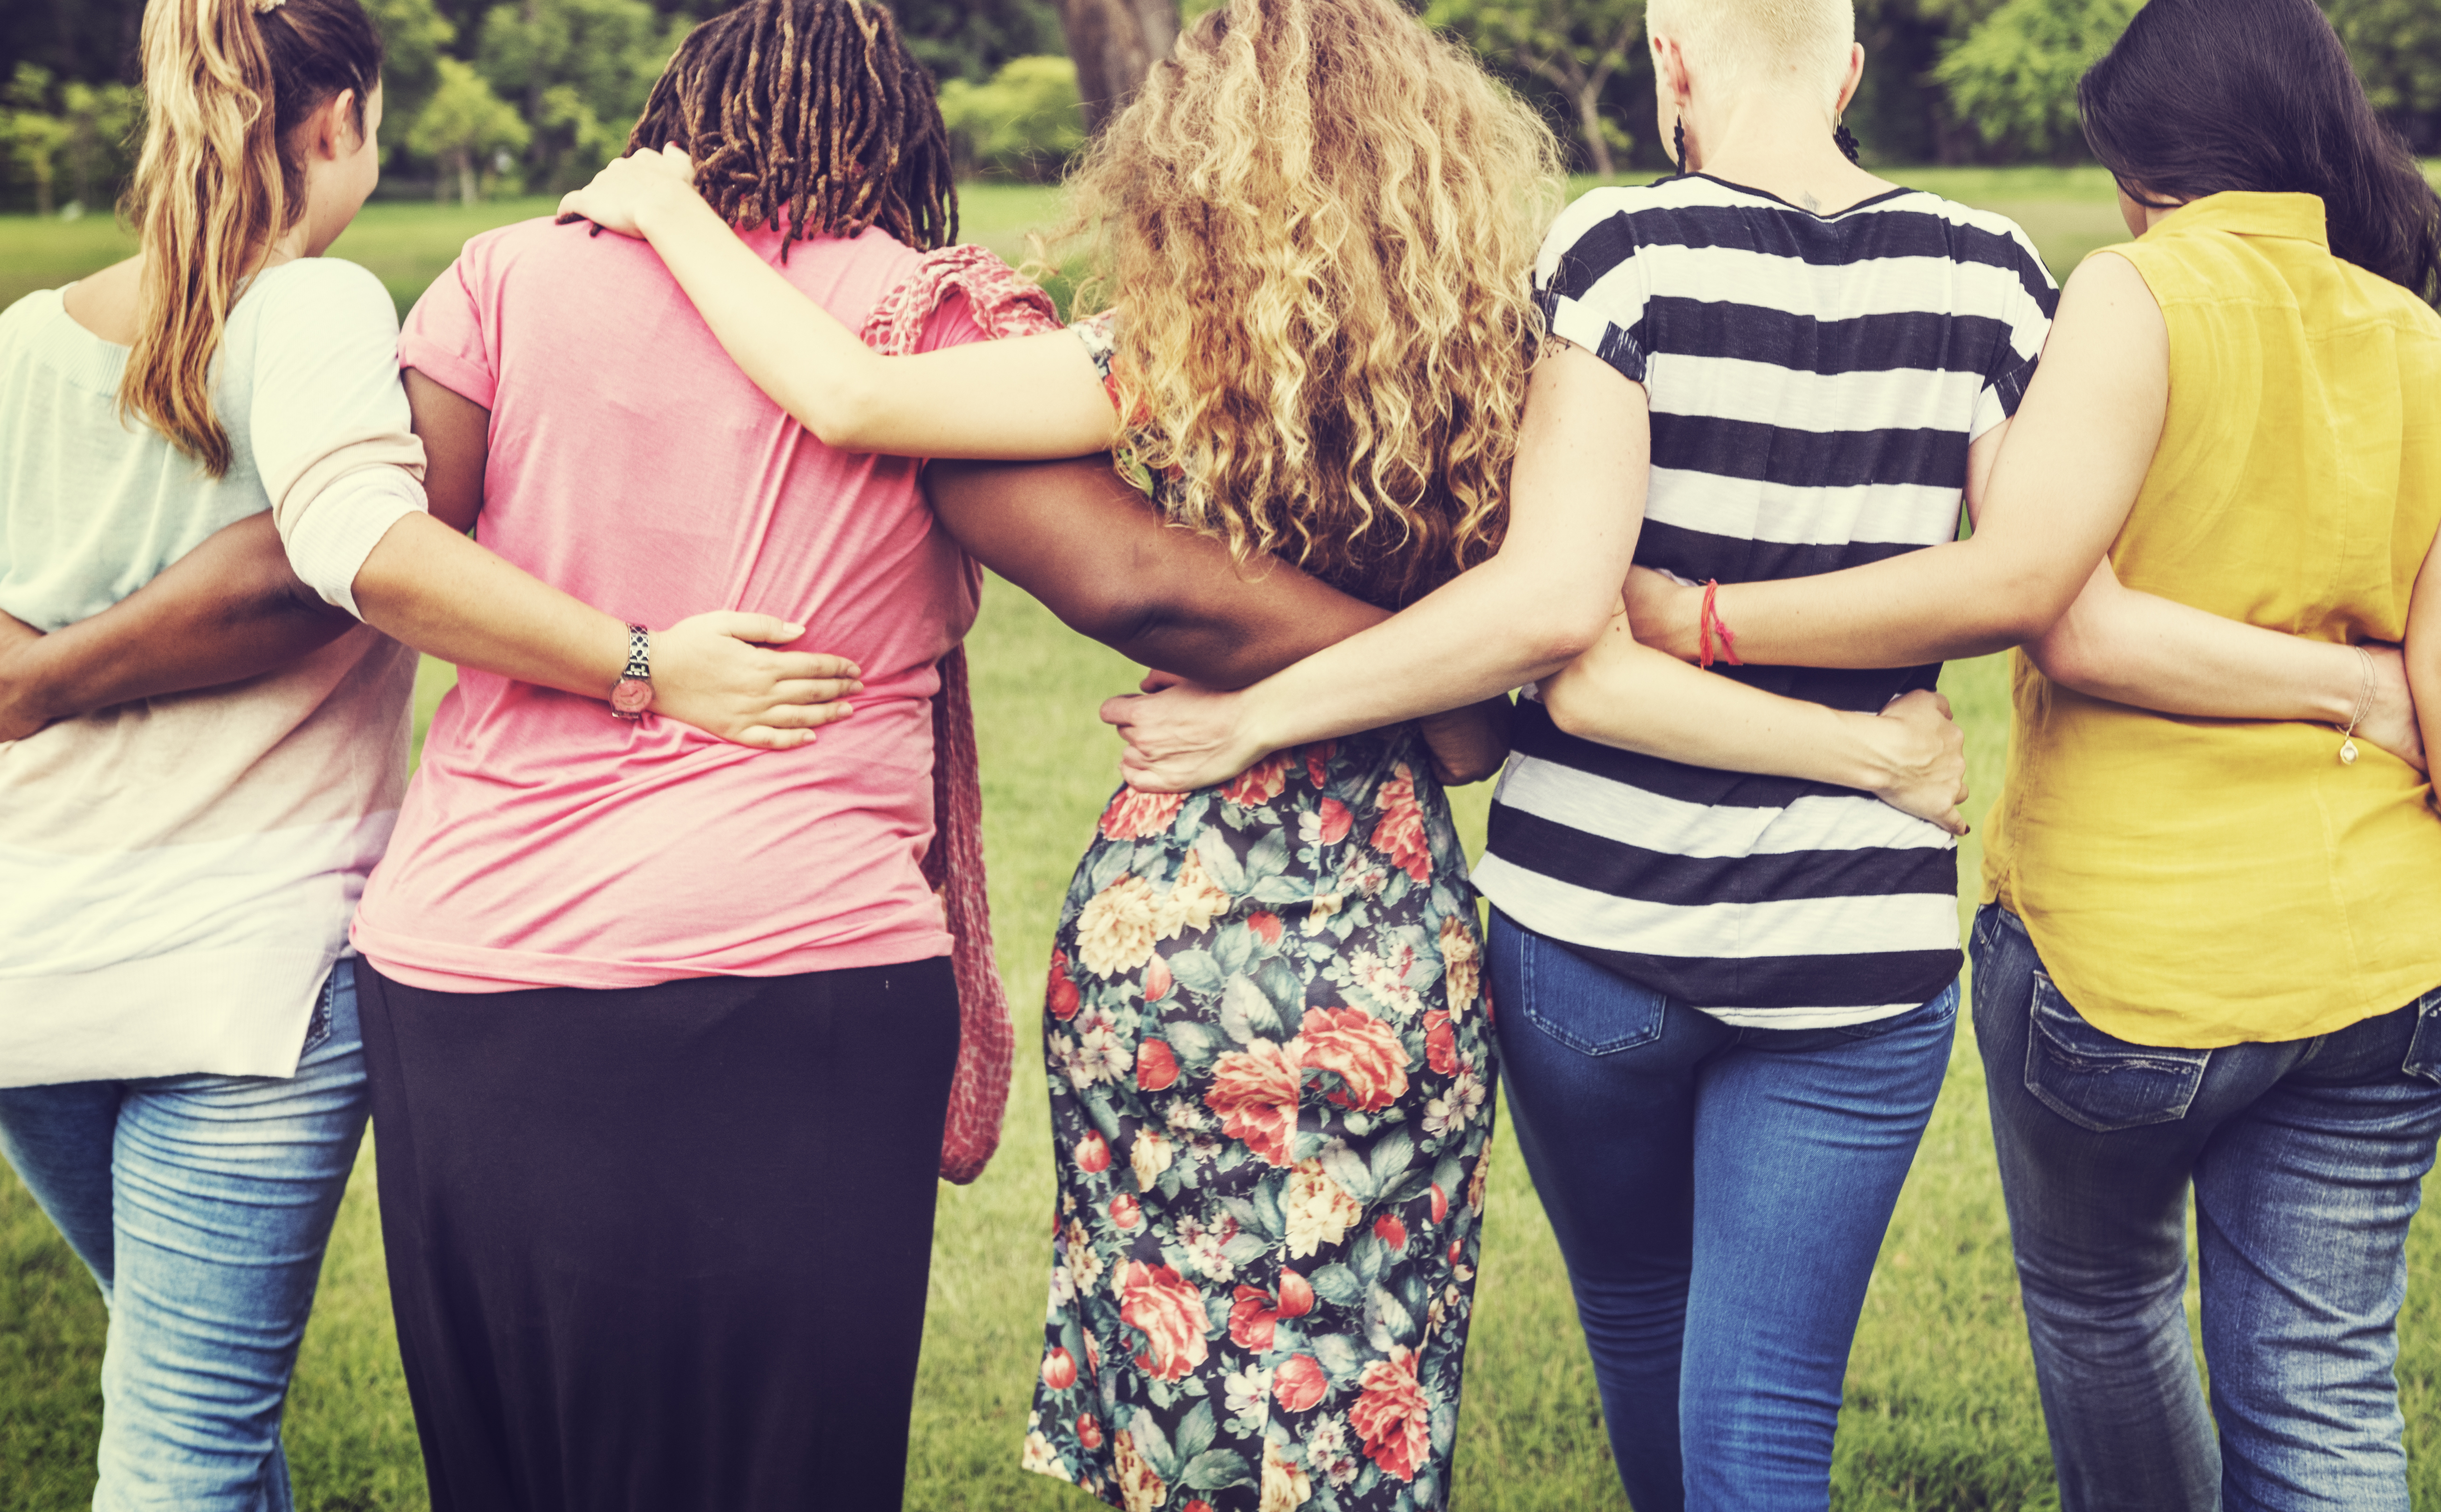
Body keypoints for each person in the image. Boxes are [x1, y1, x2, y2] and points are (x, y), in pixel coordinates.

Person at [1094, 1, 2431, 1506]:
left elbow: (1561, 627)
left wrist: (1263, 713)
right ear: (1851, 73)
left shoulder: (1615, 253)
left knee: (1640, 1317)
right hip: (1857, 951)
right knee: (1770, 1406)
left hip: (1592, 930)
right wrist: (1881, 758)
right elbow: (2035, 579)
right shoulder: (1993, 272)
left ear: (1673, 69)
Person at [554, 1, 1552, 1505]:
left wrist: (667, 208)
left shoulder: (1171, 353)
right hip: (1388, 933)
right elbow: (1484, 716)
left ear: (1196, 161)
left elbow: (855, 394)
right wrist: (1411, 691)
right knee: (1362, 1409)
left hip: (1175, 917)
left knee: (1177, 1422)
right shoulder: (1492, 374)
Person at [0, 0, 836, 1507]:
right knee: (181, 1445)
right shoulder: (313, 311)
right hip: (242, 978)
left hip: (31, 968)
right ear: (341, 126)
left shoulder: (18, 345)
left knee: (186, 1399)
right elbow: (364, 552)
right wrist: (645, 662)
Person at [1616, 1, 2441, 1505]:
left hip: (2134, 959)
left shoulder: (2137, 295)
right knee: (2324, 1390)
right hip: (2384, 966)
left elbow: (2045, 604)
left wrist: (1712, 615)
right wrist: (2362, 695)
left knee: (2103, 1301)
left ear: (2149, 160)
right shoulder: (2421, 338)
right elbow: (2428, 697)